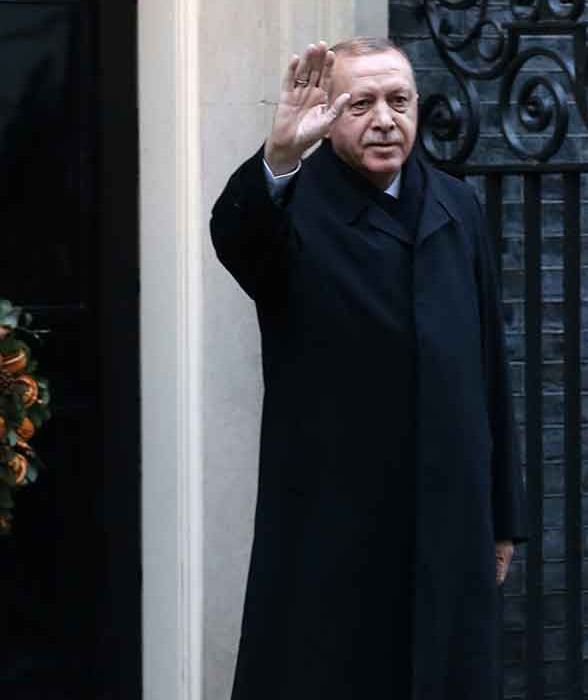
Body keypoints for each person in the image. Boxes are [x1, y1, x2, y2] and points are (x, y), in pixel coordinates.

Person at [210, 37, 528, 699]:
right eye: (362, 104)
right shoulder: (291, 209)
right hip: (335, 521)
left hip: (449, 513)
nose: (385, 118)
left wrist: (503, 515)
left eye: (399, 100)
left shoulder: (457, 206)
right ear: (327, 116)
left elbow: (490, 369)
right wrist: (278, 158)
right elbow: (236, 238)